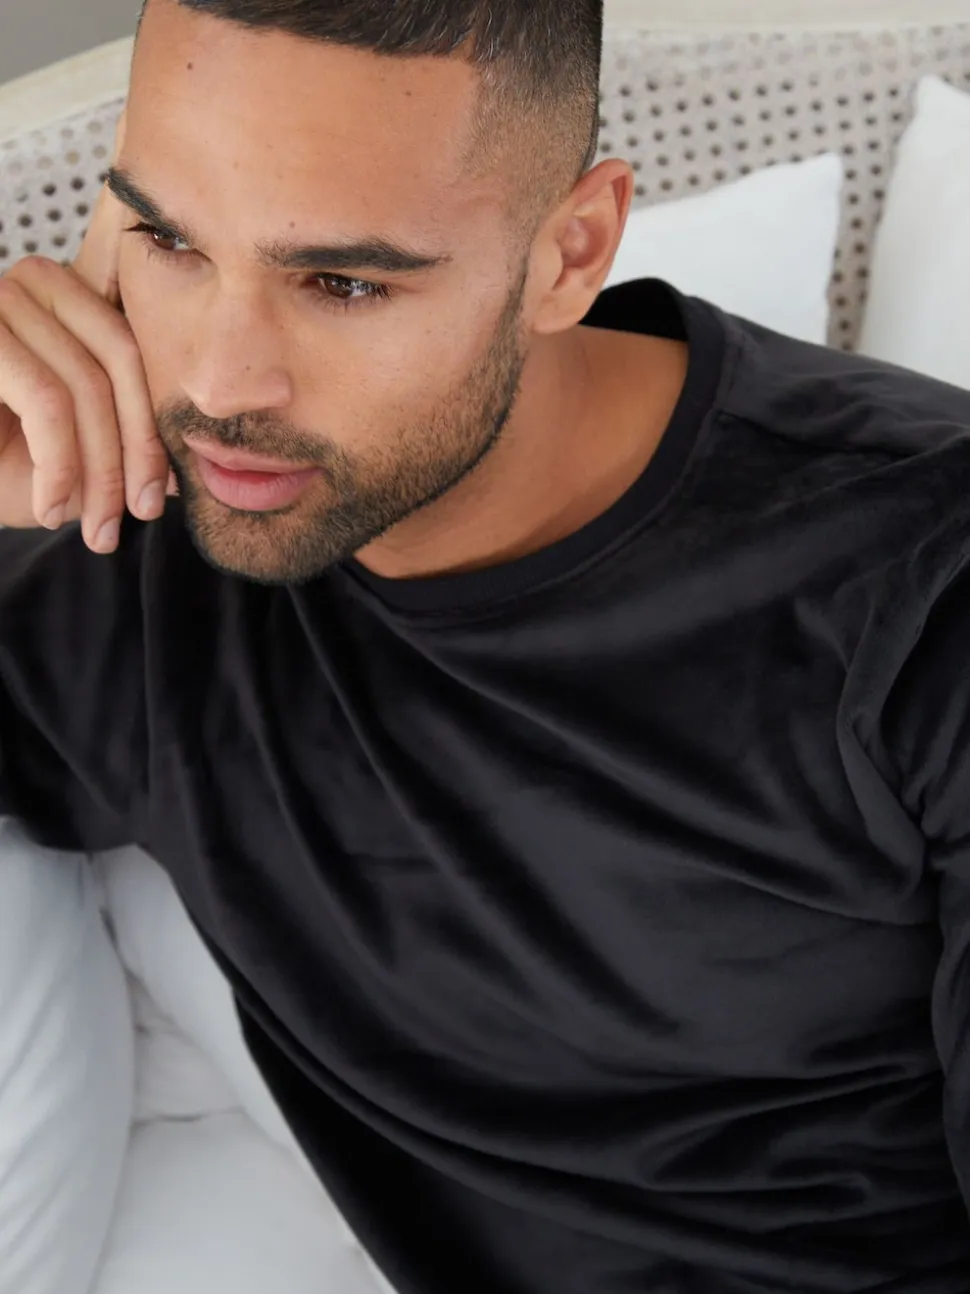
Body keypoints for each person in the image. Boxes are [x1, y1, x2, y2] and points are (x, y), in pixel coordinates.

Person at [2, 0, 970, 1290]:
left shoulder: (926, 586)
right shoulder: (142, 540)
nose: (221, 384)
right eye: (170, 241)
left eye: (344, 283)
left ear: (572, 252)